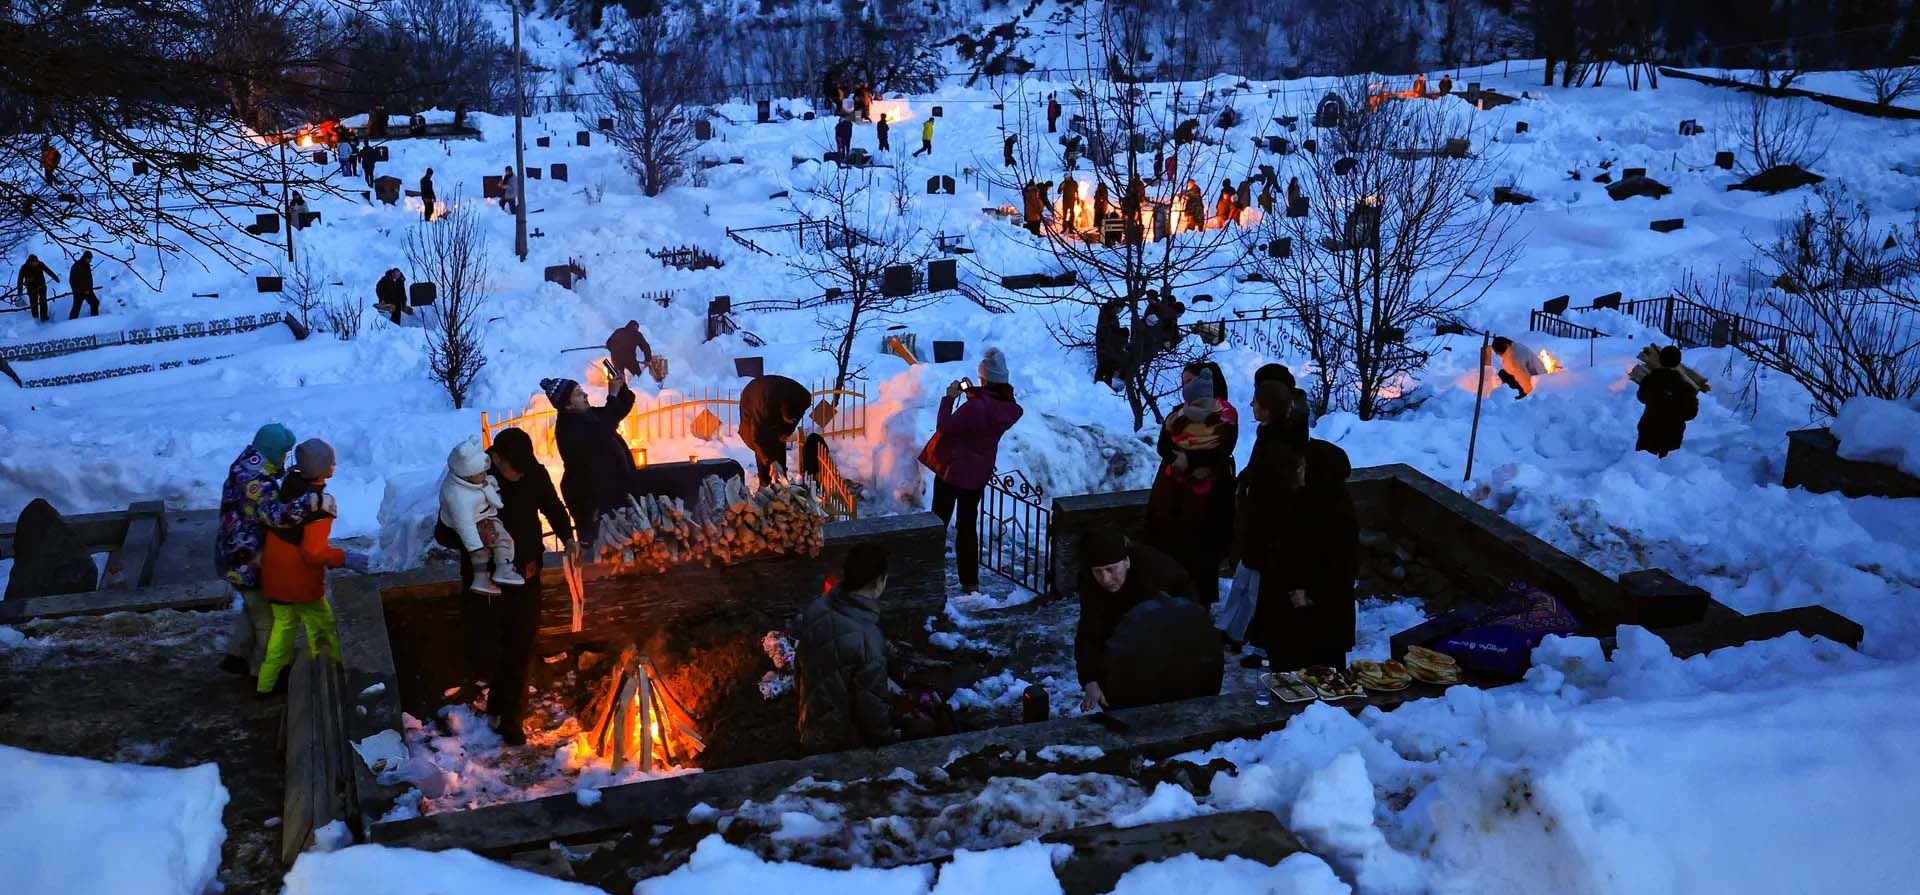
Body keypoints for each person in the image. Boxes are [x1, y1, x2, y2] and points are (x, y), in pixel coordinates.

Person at [466, 427, 576, 744]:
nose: (518, 474)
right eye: (512, 468)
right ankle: (498, 704)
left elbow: (552, 506)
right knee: (498, 647)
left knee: (522, 646)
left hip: (527, 575)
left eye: (522, 468)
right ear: (496, 459)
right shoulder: (473, 483)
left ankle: (511, 719)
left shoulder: (532, 472)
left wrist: (567, 536)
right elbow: (445, 531)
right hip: (490, 580)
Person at [918, 347, 1023, 596]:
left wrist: (950, 398)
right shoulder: (1008, 408)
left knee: (938, 524)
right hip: (976, 476)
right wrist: (972, 396)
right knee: (967, 528)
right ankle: (970, 583)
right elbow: (982, 415)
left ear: (984, 379)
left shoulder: (975, 407)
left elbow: (945, 426)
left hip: (952, 472)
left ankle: (926, 575)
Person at [1248, 439, 1359, 670]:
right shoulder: (1302, 499)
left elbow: (1342, 566)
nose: (1297, 471)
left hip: (1314, 613)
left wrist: (1311, 593)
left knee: (1316, 673)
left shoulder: (1337, 514)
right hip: (1288, 606)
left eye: (1302, 467)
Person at [215, 423, 310, 676]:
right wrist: (310, 502)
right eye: (283, 453)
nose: (285, 458)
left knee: (252, 606)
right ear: (272, 451)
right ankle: (267, 672)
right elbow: (277, 515)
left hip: (233, 554)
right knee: (267, 618)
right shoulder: (256, 481)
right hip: (246, 560)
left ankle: (236, 655)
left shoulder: (246, 464)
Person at [1222, 379, 1309, 654]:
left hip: (1266, 527)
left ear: (1268, 408)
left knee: (1256, 586)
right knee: (1244, 580)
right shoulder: (1269, 435)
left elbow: (1278, 492)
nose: (1251, 406)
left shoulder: (1281, 446)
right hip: (1256, 522)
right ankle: (1232, 629)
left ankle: (1249, 635)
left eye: (1256, 402)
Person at [255, 439, 346, 696]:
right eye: (331, 462)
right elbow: (314, 553)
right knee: (325, 626)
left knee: (283, 628)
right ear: (322, 469)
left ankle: (266, 683)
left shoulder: (288, 487)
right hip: (299, 581)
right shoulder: (318, 505)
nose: (335, 466)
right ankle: (338, 672)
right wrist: (344, 558)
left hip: (274, 574)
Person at [1074, 529, 1194, 711]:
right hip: (1121, 631)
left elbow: (1190, 617)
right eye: (1098, 571)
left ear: (1126, 562)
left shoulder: (1158, 571)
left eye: (1110, 569)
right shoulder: (1090, 582)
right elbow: (1090, 632)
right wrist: (1090, 679)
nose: (1105, 579)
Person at [795, 544, 899, 753]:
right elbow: (873, 713)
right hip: (838, 742)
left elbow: (800, 668)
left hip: (809, 723)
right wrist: (889, 738)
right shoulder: (867, 639)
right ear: (879, 581)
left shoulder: (818, 607)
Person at [1146, 369, 1238, 603]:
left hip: (1208, 497)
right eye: (1183, 382)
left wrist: (1192, 461)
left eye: (1190, 381)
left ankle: (1199, 607)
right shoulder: (1178, 414)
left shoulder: (1225, 415)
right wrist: (1177, 459)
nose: (1185, 387)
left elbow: (1223, 449)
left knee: (1200, 556)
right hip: (1172, 493)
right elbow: (1163, 445)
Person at [544, 371, 637, 545]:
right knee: (602, 546)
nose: (585, 395)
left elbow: (617, 411)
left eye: (582, 391)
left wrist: (621, 387)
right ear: (568, 406)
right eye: (578, 394)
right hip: (591, 500)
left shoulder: (587, 414)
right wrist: (612, 396)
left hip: (611, 492)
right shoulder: (568, 428)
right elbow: (601, 432)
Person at [439, 437, 524, 597]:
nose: (486, 475)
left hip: (487, 519)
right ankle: (481, 578)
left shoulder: (480, 479)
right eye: (481, 473)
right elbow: (462, 527)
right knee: (483, 552)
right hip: (472, 530)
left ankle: (503, 569)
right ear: (467, 476)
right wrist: (476, 547)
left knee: (504, 540)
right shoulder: (458, 497)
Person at [738, 373, 812, 486]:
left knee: (778, 438)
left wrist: (786, 432)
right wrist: (769, 460)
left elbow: (794, 417)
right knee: (764, 444)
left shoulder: (800, 397)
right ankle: (764, 483)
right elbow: (757, 438)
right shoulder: (762, 411)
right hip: (753, 398)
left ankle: (781, 478)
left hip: (772, 394)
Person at [1636, 345, 1700, 458]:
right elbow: (1690, 413)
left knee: (1641, 468)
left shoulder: (1650, 379)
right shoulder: (1685, 387)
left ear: (1660, 360)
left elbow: (1641, 397)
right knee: (1665, 472)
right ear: (1678, 362)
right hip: (1671, 435)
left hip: (1648, 430)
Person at [16, 254, 58, 323]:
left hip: (42, 285)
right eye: (34, 262)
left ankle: (44, 317)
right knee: (33, 302)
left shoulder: (40, 264)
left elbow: (48, 271)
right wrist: (20, 291)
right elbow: (20, 279)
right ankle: (35, 318)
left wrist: (55, 278)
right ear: (30, 262)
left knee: (43, 301)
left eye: (37, 262)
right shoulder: (24, 267)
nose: (36, 263)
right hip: (31, 288)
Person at [1094, 300, 1127, 386]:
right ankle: (1099, 383)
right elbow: (1107, 331)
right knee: (1104, 364)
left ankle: (1104, 383)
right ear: (1115, 306)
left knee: (1108, 364)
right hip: (1105, 345)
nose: (1119, 311)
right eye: (1119, 309)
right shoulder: (1107, 315)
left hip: (1109, 345)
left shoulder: (1111, 315)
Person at [67, 250, 98, 319]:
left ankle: (95, 320)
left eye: (91, 259)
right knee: (76, 308)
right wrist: (82, 290)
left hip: (88, 291)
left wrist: (89, 289)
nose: (90, 260)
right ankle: (70, 324)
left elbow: (88, 278)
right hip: (79, 292)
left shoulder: (87, 265)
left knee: (95, 303)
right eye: (89, 259)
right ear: (85, 257)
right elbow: (72, 281)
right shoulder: (76, 266)